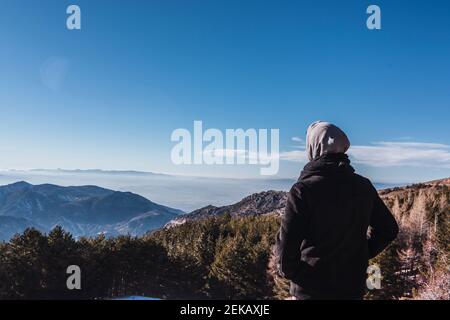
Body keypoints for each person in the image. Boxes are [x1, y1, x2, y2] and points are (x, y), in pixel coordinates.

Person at [275, 121, 399, 300]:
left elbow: (286, 249)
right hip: (352, 288)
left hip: (311, 290)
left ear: (313, 147)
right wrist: (362, 253)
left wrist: (296, 274)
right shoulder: (363, 186)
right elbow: (388, 229)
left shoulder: (304, 190)